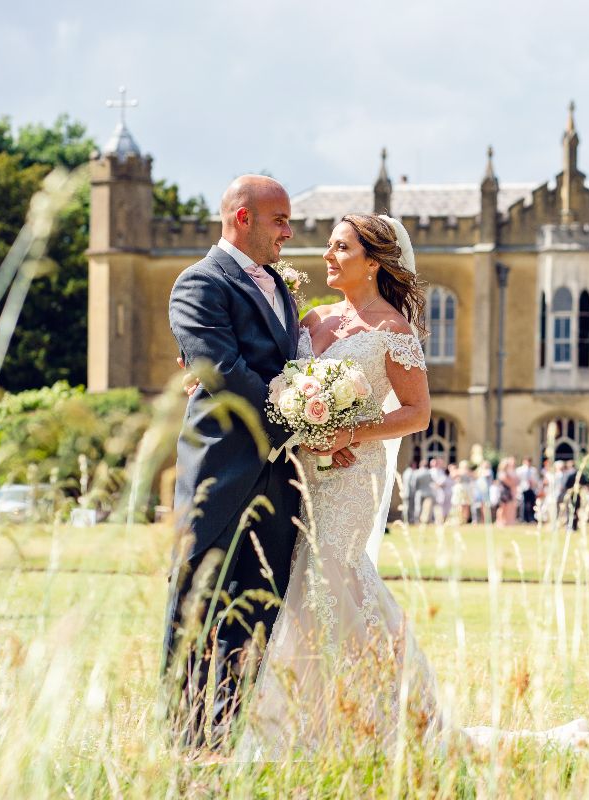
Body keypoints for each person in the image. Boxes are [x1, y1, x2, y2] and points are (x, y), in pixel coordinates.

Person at [236, 214, 589, 759]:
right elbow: (278, 381)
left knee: (336, 574)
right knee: (307, 581)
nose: (326, 256)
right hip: (303, 472)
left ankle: (382, 714)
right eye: (327, 246)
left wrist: (347, 430)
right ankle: (313, 715)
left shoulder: (394, 333)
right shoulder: (310, 321)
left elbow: (418, 413)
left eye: (339, 248)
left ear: (373, 262)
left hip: (353, 473)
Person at [164, 175, 332, 750]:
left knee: (259, 611)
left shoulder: (280, 287)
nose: (289, 230)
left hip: (281, 482)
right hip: (224, 476)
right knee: (201, 606)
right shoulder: (199, 284)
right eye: (280, 220)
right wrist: (303, 421)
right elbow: (226, 374)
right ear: (243, 218)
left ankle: (235, 735)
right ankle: (189, 740)